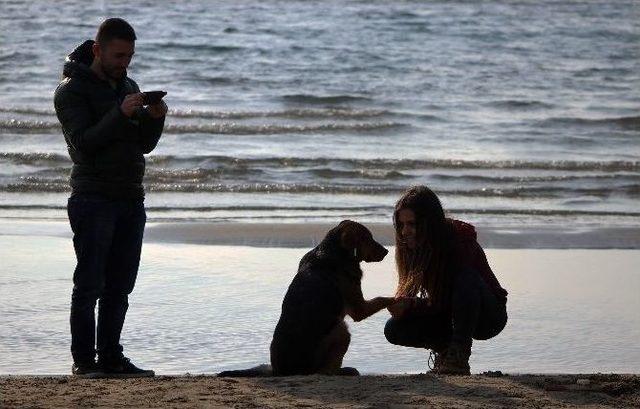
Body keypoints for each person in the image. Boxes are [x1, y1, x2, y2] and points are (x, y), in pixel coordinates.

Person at [54, 18, 167, 377]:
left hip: (130, 198)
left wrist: (155, 119)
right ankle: (84, 363)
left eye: (130, 56)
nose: (125, 63)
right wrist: (120, 113)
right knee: (90, 284)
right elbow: (84, 146)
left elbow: (143, 146)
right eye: (118, 55)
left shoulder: (128, 85)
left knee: (120, 286)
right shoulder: (70, 91)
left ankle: (112, 358)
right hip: (93, 198)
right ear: (98, 50)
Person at [384, 186, 508, 375]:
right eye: (401, 225)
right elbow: (435, 303)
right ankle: (444, 351)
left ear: (429, 223)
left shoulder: (460, 241)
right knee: (394, 328)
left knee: (467, 277)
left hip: (487, 316)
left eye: (411, 224)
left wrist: (412, 305)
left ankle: (458, 357)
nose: (404, 232)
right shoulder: (411, 248)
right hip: (449, 313)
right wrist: (402, 305)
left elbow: (448, 298)